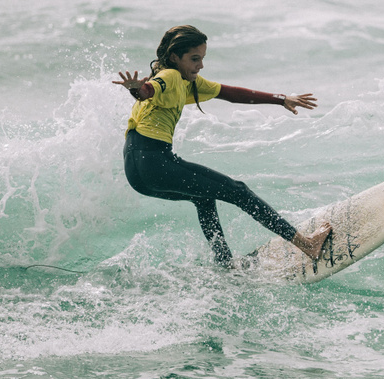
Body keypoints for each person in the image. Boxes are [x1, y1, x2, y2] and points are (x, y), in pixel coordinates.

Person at [112, 25, 331, 266]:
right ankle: (308, 245)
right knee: (238, 191)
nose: (201, 65)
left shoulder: (187, 82)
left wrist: (280, 99)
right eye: (195, 59)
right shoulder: (171, 76)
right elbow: (149, 90)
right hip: (154, 161)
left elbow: (229, 93)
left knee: (204, 197)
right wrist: (137, 89)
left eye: (203, 59)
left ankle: (224, 263)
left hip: (136, 172)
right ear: (175, 57)